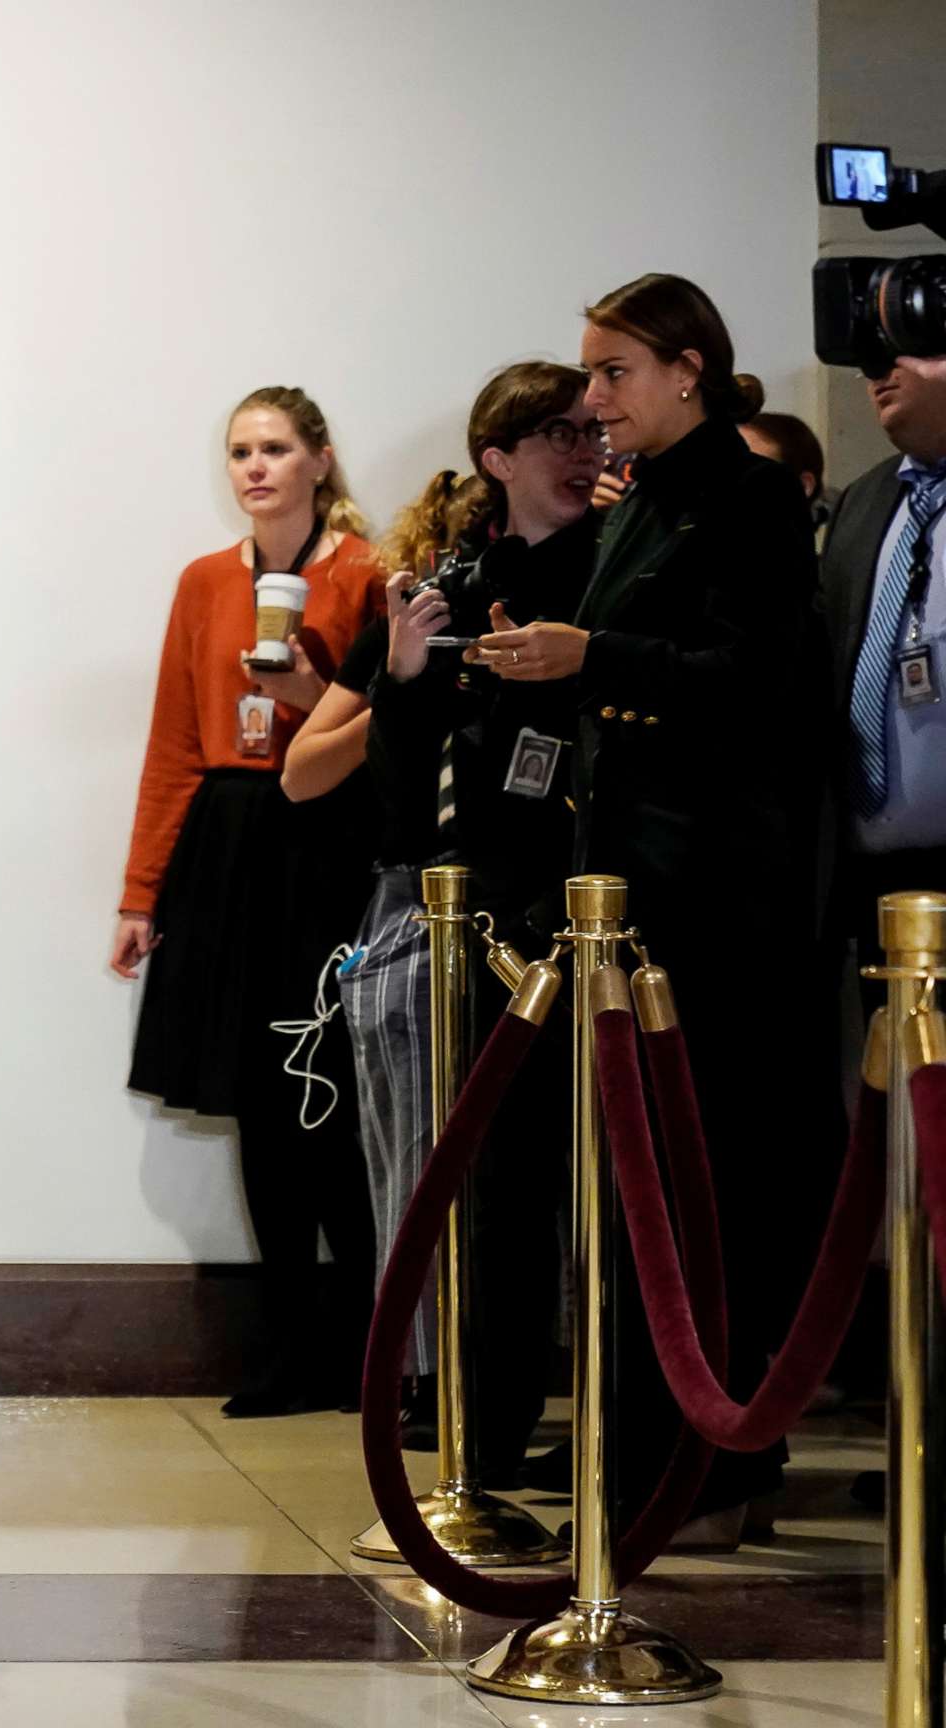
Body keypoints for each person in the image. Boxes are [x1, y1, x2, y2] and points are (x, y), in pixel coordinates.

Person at [474, 273, 831, 1543]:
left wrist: (596, 658)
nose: (592, 399)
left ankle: (716, 1470)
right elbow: (626, 662)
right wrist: (547, 658)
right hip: (626, 876)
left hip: (711, 892)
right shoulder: (648, 505)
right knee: (635, 1192)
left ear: (689, 368)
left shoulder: (745, 497)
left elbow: (754, 680)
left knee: (702, 1181)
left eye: (614, 372)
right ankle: (649, 1465)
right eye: (588, 374)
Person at [309, 362, 602, 1481]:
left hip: (588, 910)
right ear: (498, 460)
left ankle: (603, 1425)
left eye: (592, 429)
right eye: (556, 436)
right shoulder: (458, 581)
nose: (583, 453)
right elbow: (394, 798)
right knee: (496, 1185)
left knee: (594, 1181)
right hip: (474, 918)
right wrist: (406, 676)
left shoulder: (609, 572)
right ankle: (486, 1431)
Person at [113, 385, 386, 1418]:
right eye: (240, 451)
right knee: (261, 1109)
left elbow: (383, 725)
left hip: (327, 841)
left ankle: (367, 1345)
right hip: (231, 846)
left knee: (337, 1100)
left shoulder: (365, 574)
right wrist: (143, 891)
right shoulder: (201, 583)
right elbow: (175, 744)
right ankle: (290, 1347)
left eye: (276, 448)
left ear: (320, 459)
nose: (256, 468)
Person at [822, 346, 946, 981]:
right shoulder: (868, 499)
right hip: (875, 880)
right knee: (891, 1076)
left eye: (913, 348)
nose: (875, 373)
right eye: (867, 354)